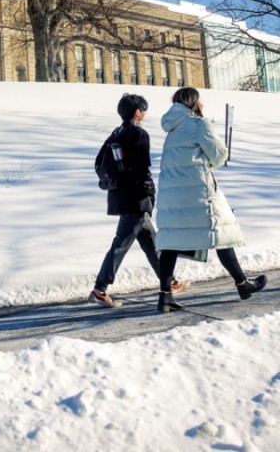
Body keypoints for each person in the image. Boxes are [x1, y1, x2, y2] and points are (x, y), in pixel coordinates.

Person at [156, 87, 267, 312]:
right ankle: (242, 283)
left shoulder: (172, 128)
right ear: (194, 102)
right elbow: (219, 155)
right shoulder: (199, 124)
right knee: (220, 233)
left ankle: (164, 297)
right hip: (199, 193)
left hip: (172, 196)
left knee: (171, 241)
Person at [90, 93, 188, 308]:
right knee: (121, 244)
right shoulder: (138, 134)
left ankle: (169, 282)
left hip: (121, 196)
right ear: (137, 112)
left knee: (151, 242)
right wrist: (149, 193)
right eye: (144, 109)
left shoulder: (117, 133)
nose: (145, 113)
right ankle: (100, 288)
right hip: (135, 199)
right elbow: (143, 168)